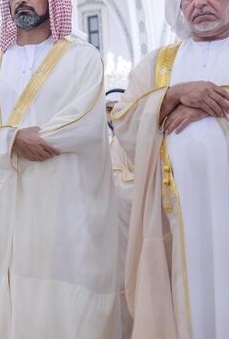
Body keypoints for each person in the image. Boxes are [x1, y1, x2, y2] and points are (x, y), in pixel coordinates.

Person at [0, 0, 120, 338]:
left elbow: (83, 122)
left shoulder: (82, 58)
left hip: (63, 201)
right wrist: (12, 140)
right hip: (1, 206)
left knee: (64, 296)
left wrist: (18, 140)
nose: (21, 0)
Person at [112, 0, 229, 339]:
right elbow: (124, 121)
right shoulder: (158, 64)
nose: (200, 1)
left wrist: (210, 103)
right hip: (176, 213)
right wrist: (172, 95)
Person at [106, 88, 134, 339]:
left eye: (119, 107)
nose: (114, 114)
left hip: (136, 224)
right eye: (108, 109)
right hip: (107, 228)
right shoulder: (101, 142)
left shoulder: (137, 141)